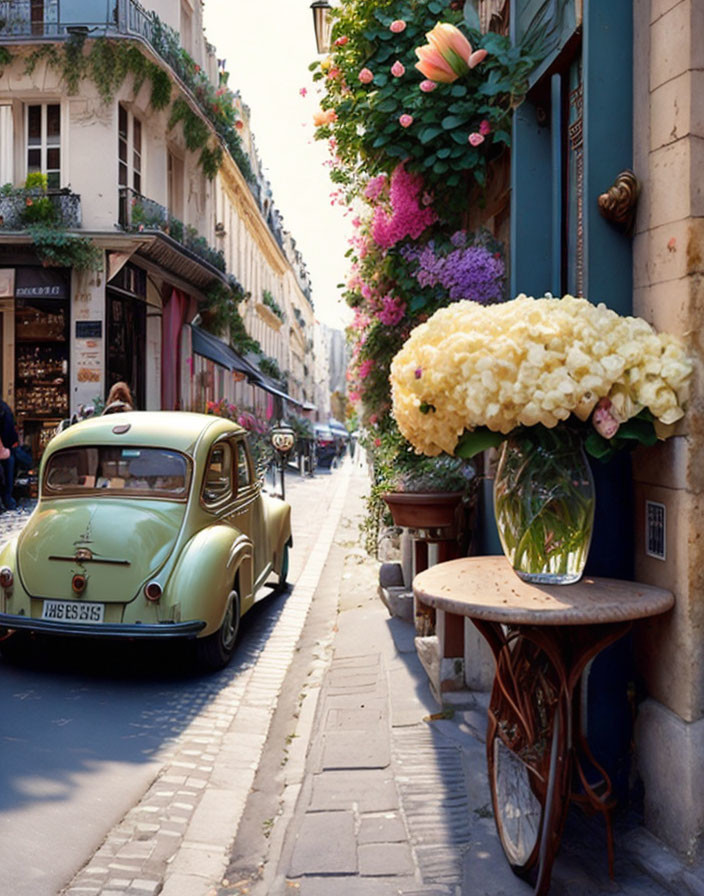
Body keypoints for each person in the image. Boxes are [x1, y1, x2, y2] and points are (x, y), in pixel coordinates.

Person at [0, 399, 19, 510]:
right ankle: (8, 499)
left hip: (7, 447)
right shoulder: (4, 408)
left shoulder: (4, 408)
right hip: (6, 449)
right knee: (10, 461)